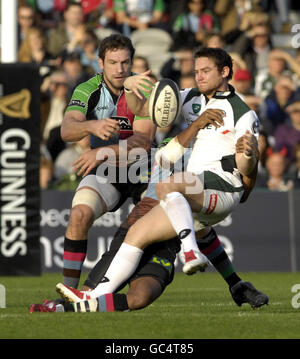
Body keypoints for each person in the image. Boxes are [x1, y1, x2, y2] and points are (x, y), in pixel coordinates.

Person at [56, 47, 262, 300]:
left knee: (151, 215)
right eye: (196, 71)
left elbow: (247, 166)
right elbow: (144, 108)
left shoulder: (242, 114)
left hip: (189, 182)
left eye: (205, 71)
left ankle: (87, 293)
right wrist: (130, 88)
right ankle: (89, 297)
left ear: (225, 72)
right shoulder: (187, 98)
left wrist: (250, 163)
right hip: (177, 180)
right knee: (155, 231)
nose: (199, 77)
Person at [30, 136, 268, 312]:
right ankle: (62, 307)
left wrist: (234, 283)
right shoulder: (150, 160)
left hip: (164, 247)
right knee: (89, 296)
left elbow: (205, 232)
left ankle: (70, 305)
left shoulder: (195, 174)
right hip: (129, 239)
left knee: (139, 298)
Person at [59, 34, 156, 290]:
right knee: (79, 215)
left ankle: (232, 280)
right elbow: (67, 130)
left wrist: (101, 152)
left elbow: (143, 142)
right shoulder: (88, 89)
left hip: (141, 170)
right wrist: (92, 124)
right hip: (106, 172)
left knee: (156, 225)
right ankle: (69, 292)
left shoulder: (143, 88)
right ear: (100, 63)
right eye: (113, 62)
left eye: (125, 62)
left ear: (132, 62)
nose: (120, 69)